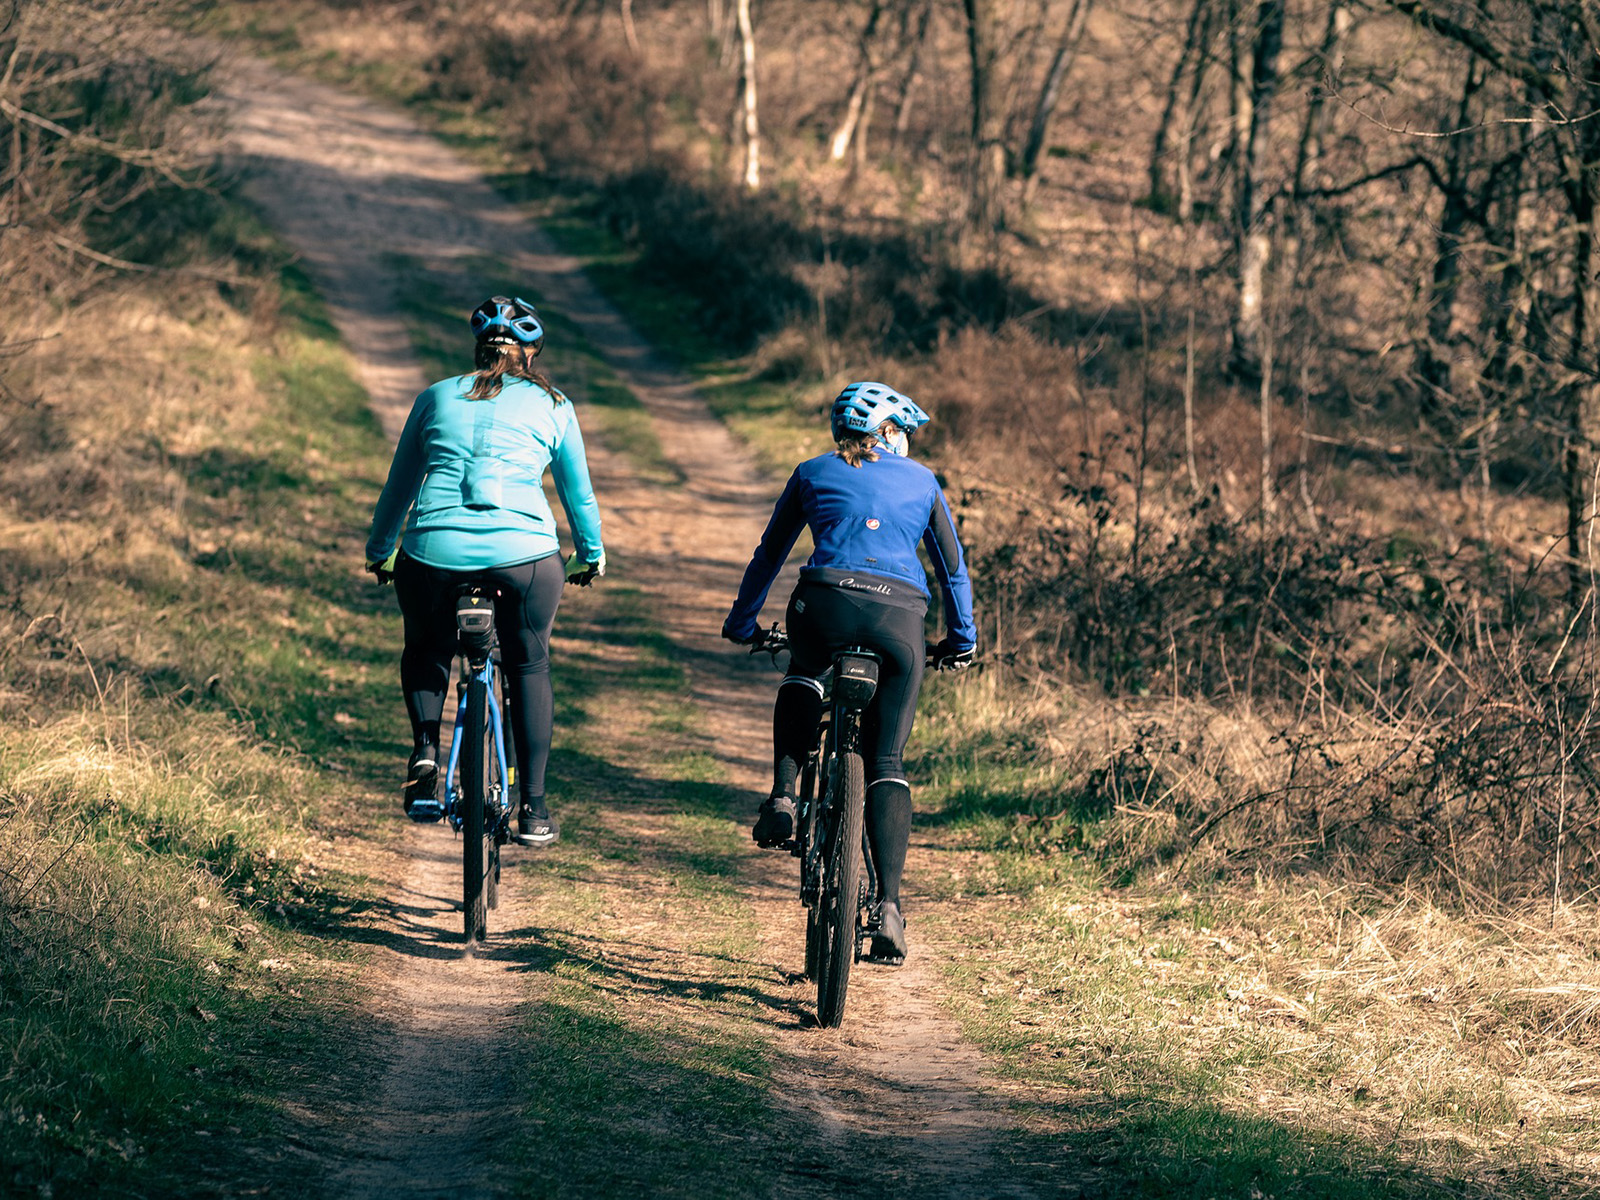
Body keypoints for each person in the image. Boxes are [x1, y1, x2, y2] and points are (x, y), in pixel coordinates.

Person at [721, 381, 976, 964]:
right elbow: (953, 572)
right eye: (903, 431)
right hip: (900, 622)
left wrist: (743, 623)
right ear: (888, 431)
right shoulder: (924, 481)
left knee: (804, 674)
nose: (907, 442)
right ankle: (887, 905)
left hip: (825, 604)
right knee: (887, 760)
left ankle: (785, 795)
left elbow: (769, 554)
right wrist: (961, 643)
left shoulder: (812, 470)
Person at [366, 295, 606, 847]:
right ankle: (535, 808)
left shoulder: (434, 397)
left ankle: (426, 756)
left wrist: (381, 550)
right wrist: (589, 555)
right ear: (529, 355)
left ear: (479, 350)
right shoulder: (555, 405)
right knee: (528, 663)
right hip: (525, 560)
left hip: (432, 555)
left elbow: (398, 488)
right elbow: (579, 496)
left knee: (427, 648)